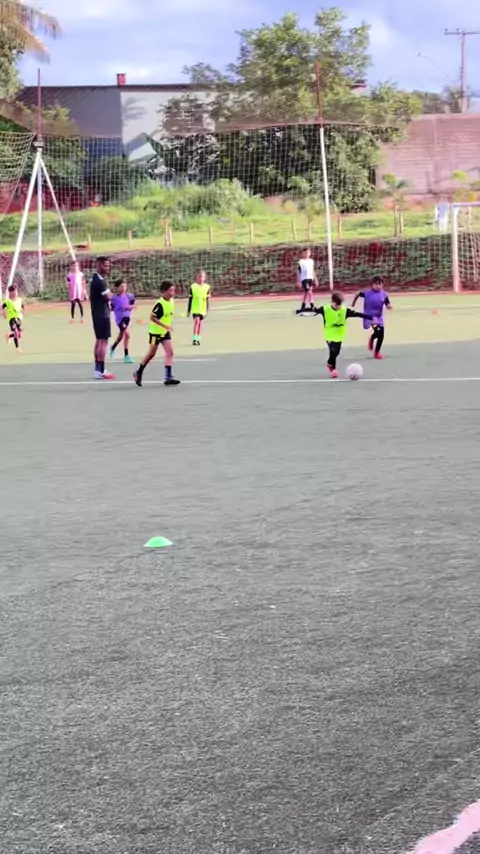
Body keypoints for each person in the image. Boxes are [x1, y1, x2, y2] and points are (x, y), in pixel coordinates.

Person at [314, 291, 375, 378]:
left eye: (339, 305)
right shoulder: (325, 309)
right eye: (336, 305)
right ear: (332, 302)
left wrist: (370, 317)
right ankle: (333, 369)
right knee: (333, 350)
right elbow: (314, 311)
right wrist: (302, 311)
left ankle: (330, 363)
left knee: (337, 352)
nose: (338, 307)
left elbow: (357, 314)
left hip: (339, 335)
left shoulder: (344, 311)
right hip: (329, 334)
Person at [133, 281, 180, 387]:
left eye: (173, 290)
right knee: (151, 354)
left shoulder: (171, 301)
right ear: (164, 291)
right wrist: (165, 325)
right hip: (155, 333)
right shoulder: (160, 304)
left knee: (170, 352)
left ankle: (168, 377)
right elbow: (152, 317)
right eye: (170, 291)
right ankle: (139, 372)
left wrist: (167, 326)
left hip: (164, 332)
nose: (172, 293)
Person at [351, 276, 392, 360]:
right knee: (378, 330)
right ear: (372, 285)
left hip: (379, 317)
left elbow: (387, 303)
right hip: (369, 317)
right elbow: (357, 294)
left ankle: (375, 350)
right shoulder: (367, 293)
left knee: (381, 334)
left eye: (380, 284)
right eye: (376, 284)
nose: (378, 286)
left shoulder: (384, 294)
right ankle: (374, 346)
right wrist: (352, 305)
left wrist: (389, 306)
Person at [90, 256, 114, 380]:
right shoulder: (100, 281)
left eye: (108, 265)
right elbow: (108, 297)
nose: (107, 268)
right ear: (99, 266)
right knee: (103, 342)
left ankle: (97, 369)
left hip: (97, 314)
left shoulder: (95, 278)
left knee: (99, 341)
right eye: (105, 265)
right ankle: (101, 370)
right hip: (102, 315)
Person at [109, 278, 135, 363]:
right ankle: (126, 356)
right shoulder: (114, 298)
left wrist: (130, 307)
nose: (123, 288)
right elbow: (111, 307)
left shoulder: (129, 296)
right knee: (127, 335)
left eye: (124, 286)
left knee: (121, 336)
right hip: (120, 319)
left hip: (127, 318)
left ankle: (113, 347)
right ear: (117, 288)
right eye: (121, 286)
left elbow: (131, 305)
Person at [187, 269, 211, 346]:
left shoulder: (207, 287)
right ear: (196, 277)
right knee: (196, 322)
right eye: (199, 277)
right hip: (195, 308)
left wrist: (207, 310)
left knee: (200, 323)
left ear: (205, 278)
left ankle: (198, 338)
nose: (201, 278)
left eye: (202, 277)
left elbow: (207, 300)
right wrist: (188, 311)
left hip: (202, 308)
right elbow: (190, 300)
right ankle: (194, 339)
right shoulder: (193, 287)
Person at [296, 247, 318, 314]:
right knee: (309, 291)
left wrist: (315, 279)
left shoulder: (311, 261)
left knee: (306, 292)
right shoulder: (301, 262)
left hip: (310, 278)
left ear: (310, 253)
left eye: (308, 253)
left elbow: (312, 270)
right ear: (302, 254)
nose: (306, 254)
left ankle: (303, 306)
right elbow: (298, 271)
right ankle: (312, 305)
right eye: (305, 253)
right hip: (304, 278)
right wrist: (299, 281)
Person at [2, 284, 24, 351]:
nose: (15, 293)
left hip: (18, 318)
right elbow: (3, 307)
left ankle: (8, 336)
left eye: (16, 292)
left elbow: (22, 307)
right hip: (12, 318)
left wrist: (22, 313)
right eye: (13, 292)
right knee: (16, 332)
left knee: (19, 334)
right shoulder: (8, 301)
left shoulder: (20, 300)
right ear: (10, 293)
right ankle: (17, 348)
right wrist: (4, 313)